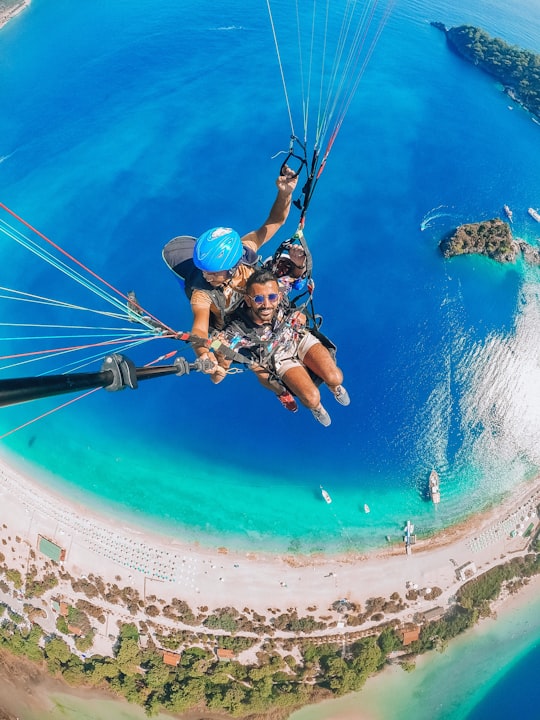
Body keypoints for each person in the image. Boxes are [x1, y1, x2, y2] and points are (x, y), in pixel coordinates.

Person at [212, 268, 350, 426]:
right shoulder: (236, 329)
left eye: (271, 297)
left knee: (335, 377)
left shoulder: (281, 297)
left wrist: (299, 263)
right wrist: (218, 348)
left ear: (278, 296)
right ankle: (317, 407)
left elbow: (299, 276)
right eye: (258, 299)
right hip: (279, 359)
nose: (266, 305)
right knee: (311, 398)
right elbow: (217, 377)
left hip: (299, 339)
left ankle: (335, 388)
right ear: (248, 300)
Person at [187, 166, 298, 357]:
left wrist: (285, 193)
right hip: (234, 334)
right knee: (220, 372)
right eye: (203, 270)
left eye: (213, 272)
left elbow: (274, 221)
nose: (206, 276)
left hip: (264, 312)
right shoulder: (202, 294)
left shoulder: (244, 252)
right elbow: (199, 329)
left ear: (232, 267)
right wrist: (202, 352)